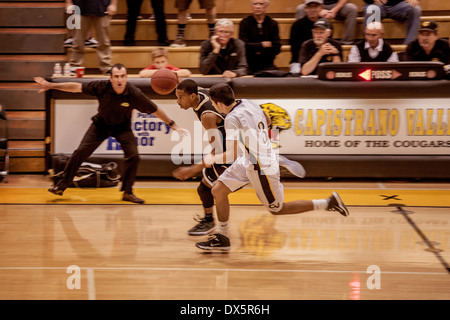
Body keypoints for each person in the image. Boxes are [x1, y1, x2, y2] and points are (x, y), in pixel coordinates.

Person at [194, 83, 349, 251]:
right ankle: (223, 238)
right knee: (218, 190)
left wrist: (212, 158)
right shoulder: (248, 102)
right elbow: (268, 120)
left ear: (219, 103)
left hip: (260, 166)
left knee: (277, 209)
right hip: (249, 158)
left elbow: (230, 155)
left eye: (213, 103)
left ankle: (328, 203)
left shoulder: (231, 119)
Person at [34, 64, 187, 204]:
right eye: (116, 76)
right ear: (111, 78)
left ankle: (127, 192)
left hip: (122, 127)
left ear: (126, 78)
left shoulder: (134, 93)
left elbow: (155, 110)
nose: (119, 79)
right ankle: (61, 186)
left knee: (134, 156)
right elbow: (75, 86)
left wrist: (172, 124)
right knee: (80, 152)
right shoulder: (101, 86)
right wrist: (52, 85)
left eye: (122, 76)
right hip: (100, 125)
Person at [172, 79, 306, 236]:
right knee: (211, 188)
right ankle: (269, 157)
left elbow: (218, 150)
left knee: (208, 189)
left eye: (180, 97)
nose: (177, 101)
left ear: (193, 96)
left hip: (232, 153)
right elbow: (268, 120)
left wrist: (193, 169)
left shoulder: (207, 115)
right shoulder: (205, 92)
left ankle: (214, 227)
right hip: (246, 148)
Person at [67, 0, 117, 75]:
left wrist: (113, 4)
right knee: (78, 40)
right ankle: (74, 65)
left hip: (103, 7)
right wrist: (69, 2)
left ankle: (106, 66)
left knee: (104, 41)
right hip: (80, 7)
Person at [238, 0, 282, 74]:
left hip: (268, 64)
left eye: (261, 4)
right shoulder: (245, 23)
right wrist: (262, 45)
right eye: (255, 4)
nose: (258, 7)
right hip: (249, 65)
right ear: (252, 6)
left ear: (266, 6)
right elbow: (243, 46)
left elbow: (277, 48)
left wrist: (255, 48)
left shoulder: (273, 24)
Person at [289, 0, 324, 74]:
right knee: (296, 73)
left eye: (315, 6)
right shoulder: (297, 25)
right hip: (299, 60)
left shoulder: (326, 25)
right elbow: (294, 49)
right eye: (309, 7)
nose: (312, 10)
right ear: (305, 9)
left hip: (321, 60)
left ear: (321, 8)